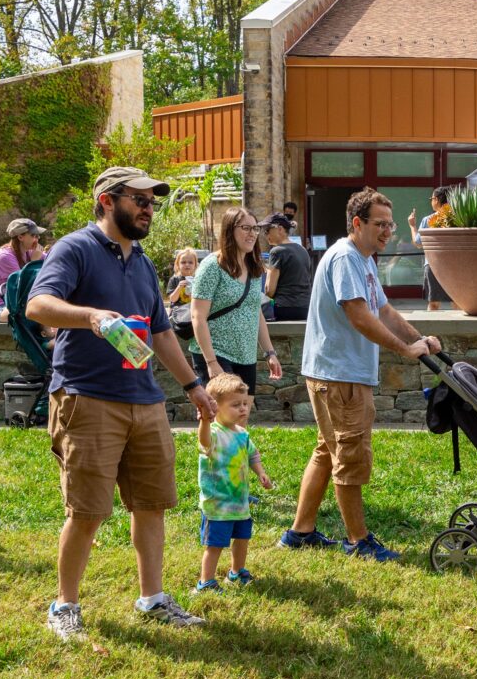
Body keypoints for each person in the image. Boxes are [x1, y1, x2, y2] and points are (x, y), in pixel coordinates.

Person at [24, 166, 219, 640]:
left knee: (151, 504)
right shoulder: (76, 248)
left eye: (153, 202)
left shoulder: (144, 262)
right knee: (87, 510)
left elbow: (160, 331)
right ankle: (64, 605)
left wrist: (193, 386)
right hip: (87, 396)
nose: (149, 209)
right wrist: (89, 315)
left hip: (144, 398)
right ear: (108, 201)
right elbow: (37, 305)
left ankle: (152, 597)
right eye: (140, 200)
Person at [282, 188, 442, 561]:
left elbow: (383, 311)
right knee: (349, 457)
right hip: (340, 375)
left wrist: (420, 340)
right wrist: (404, 350)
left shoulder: (365, 259)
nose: (388, 231)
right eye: (380, 224)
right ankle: (359, 541)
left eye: (390, 224)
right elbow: (358, 315)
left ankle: (300, 531)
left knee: (328, 451)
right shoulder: (345, 258)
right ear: (358, 223)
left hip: (340, 372)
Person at [192, 372, 273, 594]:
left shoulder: (242, 433)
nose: (243, 409)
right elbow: (204, 442)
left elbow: (252, 455)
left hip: (239, 502)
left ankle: (236, 572)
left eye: (245, 404)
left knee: (242, 538)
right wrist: (205, 423)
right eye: (236, 404)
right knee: (215, 544)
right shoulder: (215, 433)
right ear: (215, 407)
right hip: (217, 504)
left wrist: (261, 473)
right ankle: (206, 581)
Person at [188, 208, 282, 393]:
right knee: (224, 415)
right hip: (217, 353)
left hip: (246, 356)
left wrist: (270, 353)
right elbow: (197, 316)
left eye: (255, 228)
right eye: (246, 228)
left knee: (241, 414)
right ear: (230, 230)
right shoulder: (212, 266)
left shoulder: (254, 268)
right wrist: (211, 362)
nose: (252, 234)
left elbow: (256, 313)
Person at [0, 219, 47, 322]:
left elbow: (53, 260)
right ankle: (50, 335)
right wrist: (34, 262)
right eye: (34, 235)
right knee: (38, 311)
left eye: (38, 236)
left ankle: (51, 335)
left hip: (19, 305)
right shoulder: (4, 257)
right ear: (20, 237)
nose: (37, 239)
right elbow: (23, 287)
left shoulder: (29, 252)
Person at [407, 186, 451, 311]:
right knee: (457, 302)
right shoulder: (458, 217)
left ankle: (432, 331)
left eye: (431, 198)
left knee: (433, 303)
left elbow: (418, 242)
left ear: (436, 200)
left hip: (433, 265)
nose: (431, 201)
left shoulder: (429, 220)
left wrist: (412, 226)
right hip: (454, 265)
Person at [261, 213, 313, 321]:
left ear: (280, 229)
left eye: (267, 230)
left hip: (285, 308)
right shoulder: (302, 250)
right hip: (306, 307)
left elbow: (269, 291)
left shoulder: (277, 251)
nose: (266, 235)